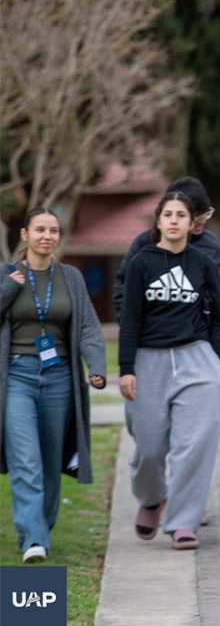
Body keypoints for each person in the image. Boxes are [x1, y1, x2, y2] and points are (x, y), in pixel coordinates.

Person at [118, 193, 220, 550]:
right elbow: (129, 319)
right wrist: (126, 368)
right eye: (167, 214)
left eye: (181, 215)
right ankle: (152, 498)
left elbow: (219, 317)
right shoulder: (141, 262)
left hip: (196, 359)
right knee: (149, 449)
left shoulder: (202, 262)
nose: (174, 220)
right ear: (158, 220)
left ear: (191, 222)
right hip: (149, 360)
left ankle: (183, 521)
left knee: (193, 446)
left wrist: (218, 361)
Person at [2, 208, 107, 563]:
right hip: (17, 375)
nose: (47, 236)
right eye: (40, 230)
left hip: (59, 375)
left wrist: (96, 367)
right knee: (25, 460)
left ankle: (41, 530)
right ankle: (33, 538)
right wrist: (9, 288)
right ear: (25, 234)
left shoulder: (71, 277)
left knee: (50, 461)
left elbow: (89, 326)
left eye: (53, 230)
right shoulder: (6, 274)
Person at [112, 177, 220, 314]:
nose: (202, 221)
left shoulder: (214, 247)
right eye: (196, 215)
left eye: (206, 214)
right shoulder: (144, 244)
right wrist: (131, 321)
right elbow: (123, 288)